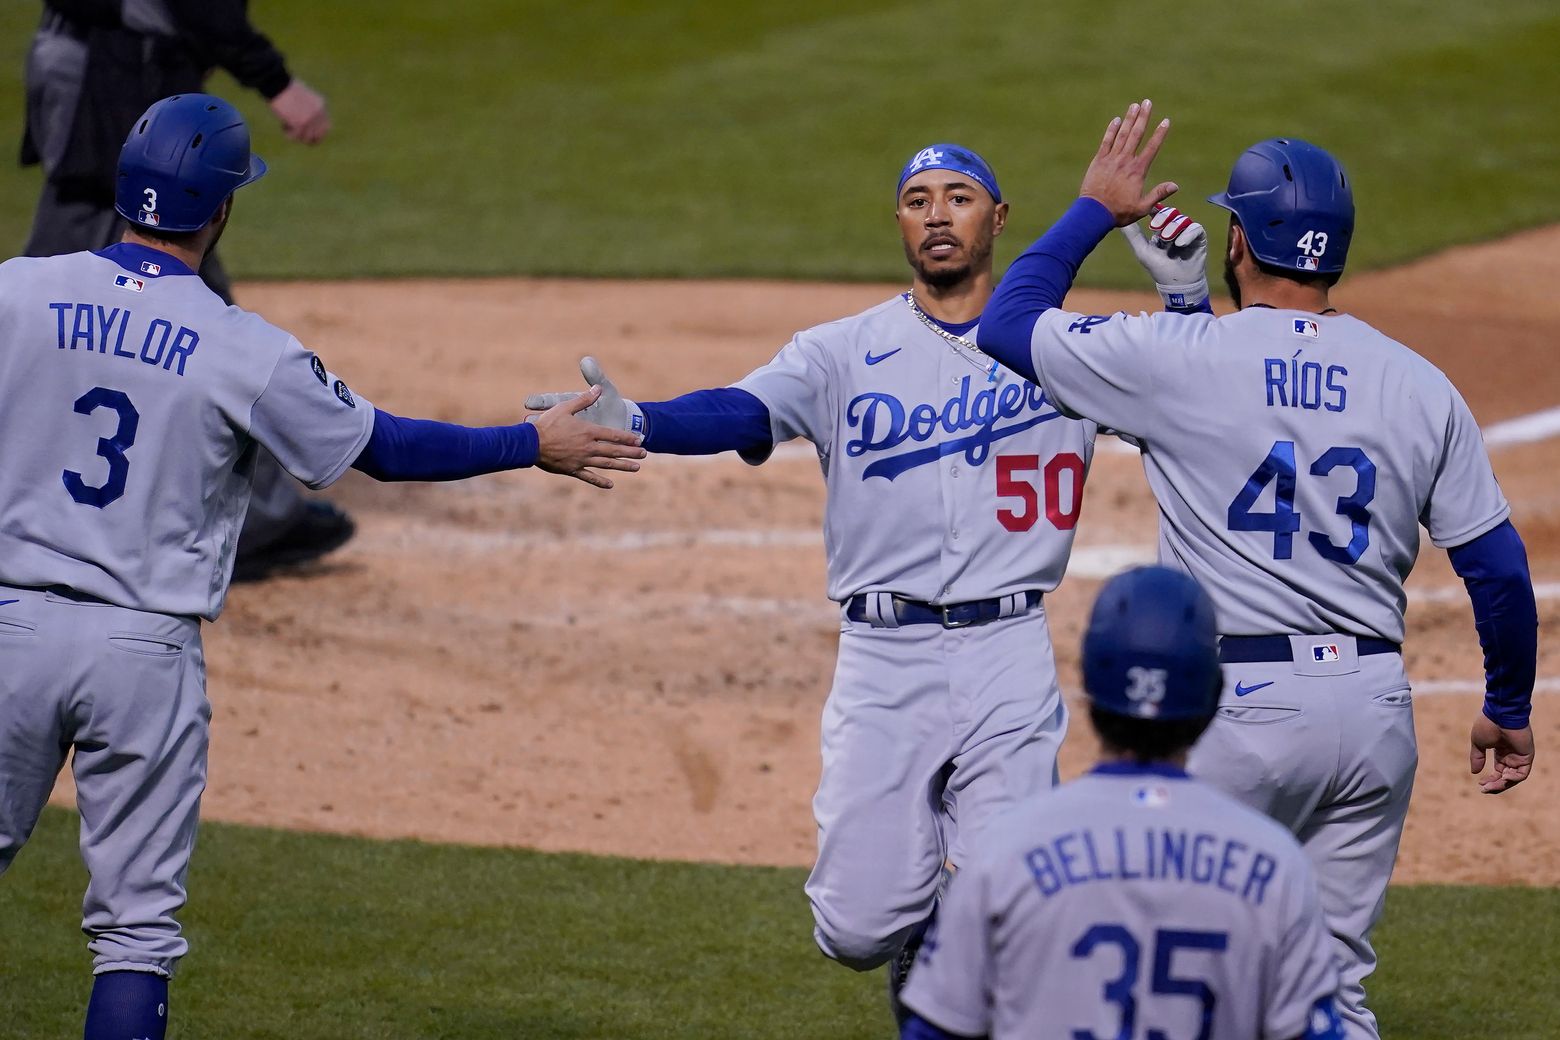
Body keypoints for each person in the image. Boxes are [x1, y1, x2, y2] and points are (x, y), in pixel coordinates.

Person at [0, 93, 645, 1040]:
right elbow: (382, 446)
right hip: (142, 652)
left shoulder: (17, 290)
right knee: (134, 934)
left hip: (9, 630)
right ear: (220, 209)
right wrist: (529, 442)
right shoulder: (240, 346)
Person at [525, 143, 1205, 1017]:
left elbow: (1192, 394)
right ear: (899, 223)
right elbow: (743, 409)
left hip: (1008, 649)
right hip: (885, 657)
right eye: (917, 199)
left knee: (1019, 906)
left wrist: (1186, 298)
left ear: (998, 221)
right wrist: (646, 420)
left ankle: (963, 970)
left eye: (959, 197)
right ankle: (923, 934)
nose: (936, 214)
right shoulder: (843, 351)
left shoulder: (1062, 348)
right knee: (853, 929)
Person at [973, 99, 1539, 1038]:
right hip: (1372, 716)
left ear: (1239, 239)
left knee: (1157, 972)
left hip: (1235, 715)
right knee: (1326, 992)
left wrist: (1095, 211)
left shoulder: (1182, 357)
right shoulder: (1418, 382)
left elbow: (1009, 322)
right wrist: (1509, 709)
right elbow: (1500, 571)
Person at [899, 565, 1346, 1040]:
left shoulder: (1003, 852)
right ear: (1212, 694)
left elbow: (934, 1032)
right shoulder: (1274, 863)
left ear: (1088, 690)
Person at [21, 0, 345, 580]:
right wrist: (276, 82)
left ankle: (262, 515)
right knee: (57, 286)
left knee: (174, 264)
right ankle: (261, 516)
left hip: (111, 62)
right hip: (108, 72)